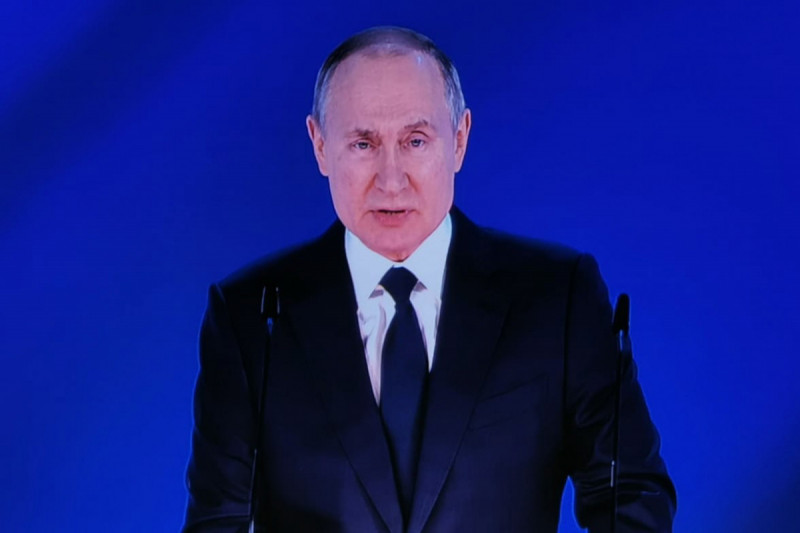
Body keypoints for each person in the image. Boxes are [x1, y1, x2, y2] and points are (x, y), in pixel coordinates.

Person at [182, 26, 676, 533]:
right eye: (363, 143)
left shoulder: (557, 297)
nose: (391, 179)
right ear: (320, 145)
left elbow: (630, 495)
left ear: (459, 140)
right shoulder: (251, 315)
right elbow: (216, 522)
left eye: (415, 141)